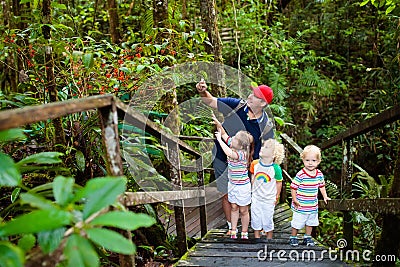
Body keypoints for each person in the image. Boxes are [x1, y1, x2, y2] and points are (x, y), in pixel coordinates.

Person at [196, 79, 275, 235]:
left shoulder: (265, 125)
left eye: (255, 96)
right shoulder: (237, 105)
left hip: (246, 164)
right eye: (252, 94)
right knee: (226, 192)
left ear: (263, 104)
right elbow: (211, 101)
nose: (250, 97)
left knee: (246, 193)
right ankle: (231, 226)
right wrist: (202, 91)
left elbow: (267, 149)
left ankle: (251, 224)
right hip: (221, 155)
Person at [214, 126, 253, 239]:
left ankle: (244, 232)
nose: (232, 139)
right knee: (234, 207)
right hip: (232, 185)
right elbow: (224, 134)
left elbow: (229, 153)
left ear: (241, 145)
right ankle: (233, 230)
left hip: (242, 187)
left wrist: (219, 141)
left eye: (235, 139)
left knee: (243, 210)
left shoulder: (242, 154)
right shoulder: (235, 144)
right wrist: (218, 123)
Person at [289, 145, 331, 247]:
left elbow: (321, 186)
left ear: (318, 161)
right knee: (297, 223)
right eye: (307, 160)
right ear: (303, 160)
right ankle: (293, 237)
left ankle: (307, 237)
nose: (310, 163)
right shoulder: (301, 174)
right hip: (300, 204)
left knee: (311, 222)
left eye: (313, 160)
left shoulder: (319, 174)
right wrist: (294, 199)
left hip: (312, 205)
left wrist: (325, 196)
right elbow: (293, 187)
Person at [250, 139, 285, 241]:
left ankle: (269, 238)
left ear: (273, 155)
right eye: (263, 146)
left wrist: (276, 196)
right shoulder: (255, 164)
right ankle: (257, 237)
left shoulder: (276, 168)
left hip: (269, 198)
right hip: (256, 197)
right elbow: (253, 177)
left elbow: (279, 182)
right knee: (255, 217)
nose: (262, 148)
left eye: (266, 147)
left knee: (268, 218)